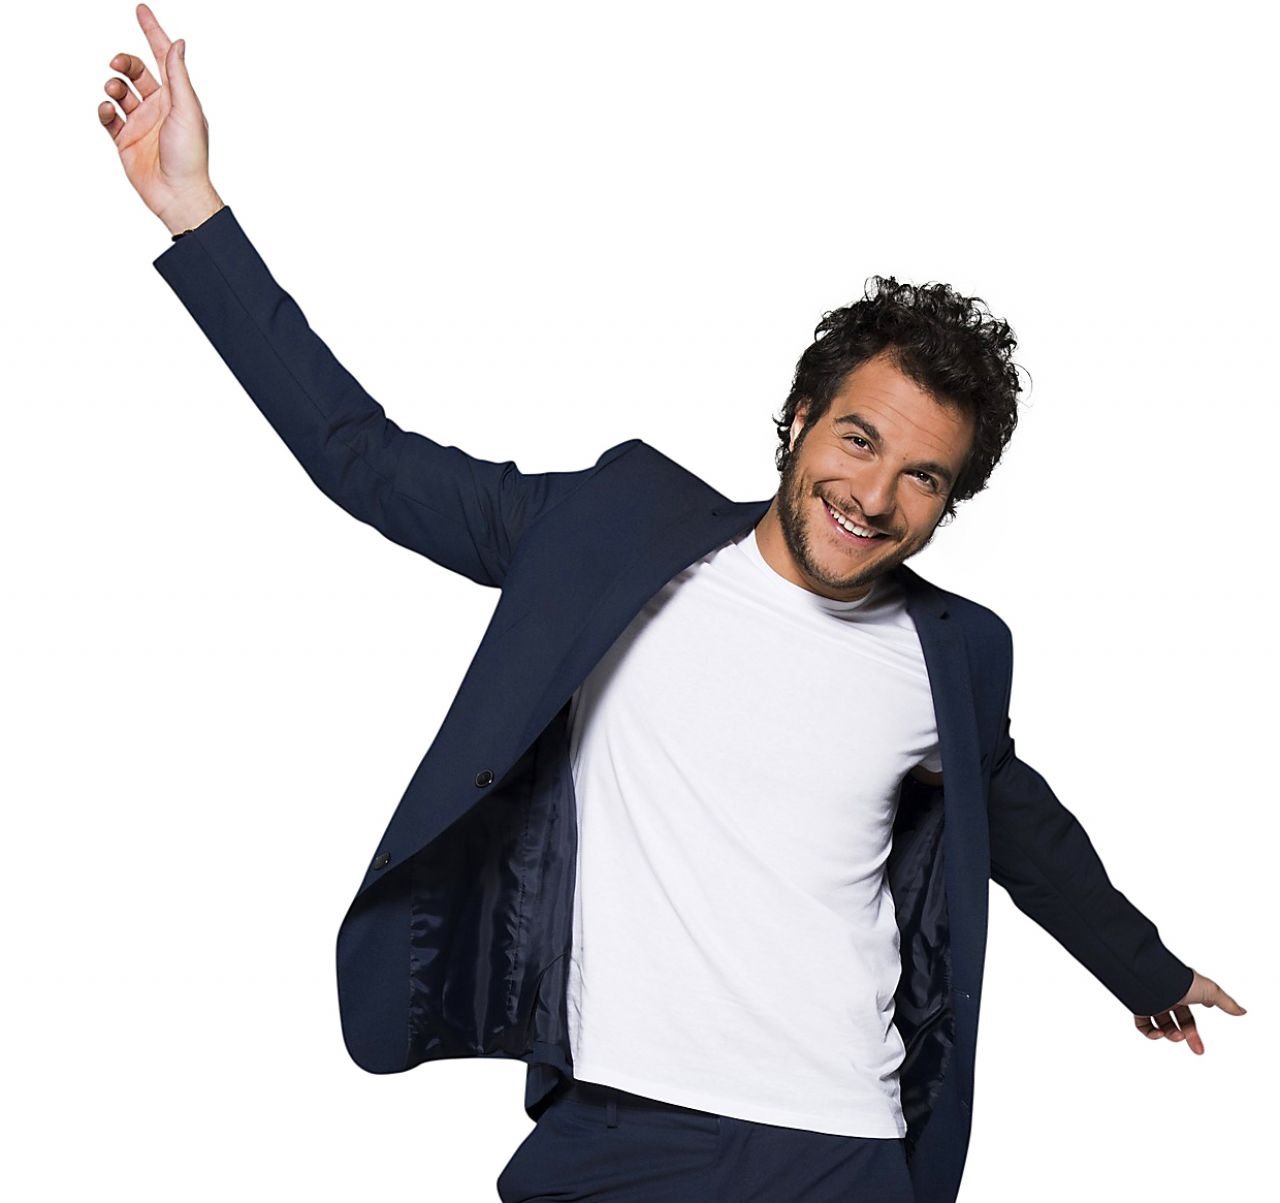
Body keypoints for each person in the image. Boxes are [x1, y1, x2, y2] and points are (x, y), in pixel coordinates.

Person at [100, 7, 1247, 1201]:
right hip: (617, 1129)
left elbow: (1021, 827)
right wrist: (194, 212)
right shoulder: (610, 532)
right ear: (798, 417)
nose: (872, 497)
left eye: (922, 477)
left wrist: (1144, 971)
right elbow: (365, 461)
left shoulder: (949, 650)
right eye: (857, 440)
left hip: (838, 1146)